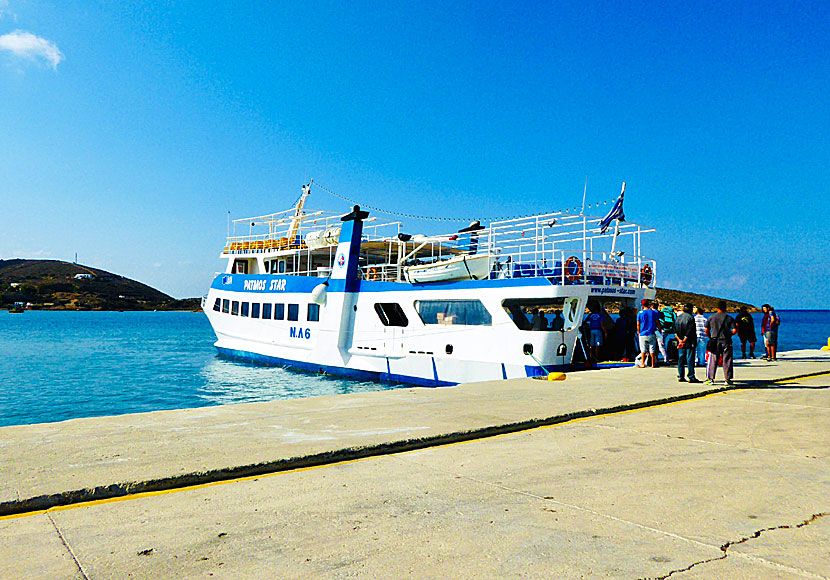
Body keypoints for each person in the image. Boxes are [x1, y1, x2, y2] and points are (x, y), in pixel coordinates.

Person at [705, 300, 737, 385]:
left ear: (717, 308)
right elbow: (734, 330)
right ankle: (728, 379)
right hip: (726, 340)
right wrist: (729, 334)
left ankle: (711, 378)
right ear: (725, 308)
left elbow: (706, 330)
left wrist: (711, 337)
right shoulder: (729, 318)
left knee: (713, 359)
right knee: (727, 360)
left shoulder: (711, 317)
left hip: (715, 341)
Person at [674, 303, 699, 382]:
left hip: (680, 340)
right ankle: (691, 376)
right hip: (689, 341)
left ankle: (680, 375)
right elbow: (690, 330)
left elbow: (675, 330)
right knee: (690, 359)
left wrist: (680, 341)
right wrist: (684, 340)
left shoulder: (678, 318)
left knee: (681, 359)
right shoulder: (690, 318)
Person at [636, 299, 658, 368]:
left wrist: (638, 332)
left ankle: (643, 363)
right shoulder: (653, 312)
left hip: (643, 333)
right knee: (652, 349)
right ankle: (653, 364)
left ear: (642, 305)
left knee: (643, 349)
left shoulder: (640, 313)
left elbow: (638, 324)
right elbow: (657, 321)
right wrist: (659, 329)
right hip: (651, 332)